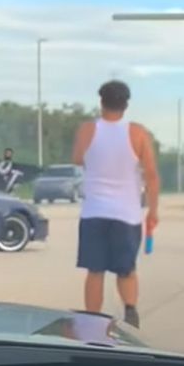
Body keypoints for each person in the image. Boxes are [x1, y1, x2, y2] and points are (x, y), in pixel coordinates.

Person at [72, 80, 160, 329]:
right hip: (126, 214)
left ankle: (91, 320)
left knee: (95, 270)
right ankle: (130, 313)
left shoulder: (87, 130)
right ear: (126, 105)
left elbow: (78, 158)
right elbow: (151, 175)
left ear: (101, 102)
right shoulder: (138, 133)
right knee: (126, 269)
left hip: (94, 212)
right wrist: (153, 211)